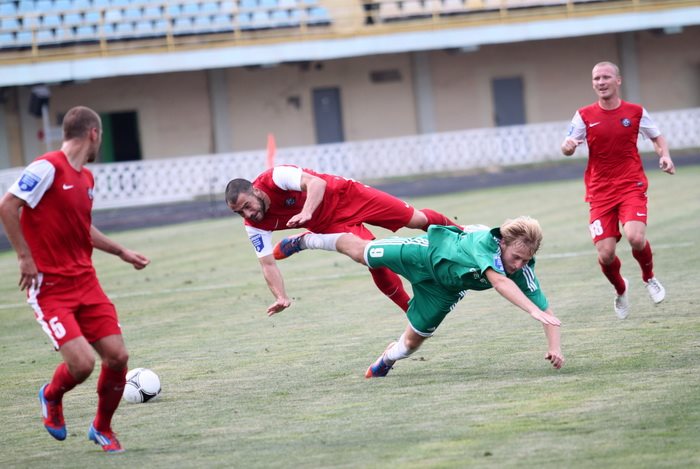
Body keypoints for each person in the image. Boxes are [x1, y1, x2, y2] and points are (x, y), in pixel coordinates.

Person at [0, 106, 150, 453]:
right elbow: (7, 206)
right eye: (100, 136)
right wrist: (25, 257)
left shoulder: (87, 179)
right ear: (94, 134)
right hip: (50, 288)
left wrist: (121, 251)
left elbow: (83, 229)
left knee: (117, 356)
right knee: (82, 365)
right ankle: (51, 396)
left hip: (86, 281)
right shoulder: (47, 167)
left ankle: (102, 428)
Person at [288, 218, 564, 377]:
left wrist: (555, 348)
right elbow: (499, 281)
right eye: (516, 257)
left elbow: (547, 311)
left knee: (411, 344)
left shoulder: (522, 270)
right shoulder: (485, 242)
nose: (518, 264)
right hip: (422, 255)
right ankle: (306, 241)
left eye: (525, 259)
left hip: (443, 291)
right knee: (363, 253)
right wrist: (531, 310)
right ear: (502, 242)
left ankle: (387, 359)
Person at [225, 165, 459, 316]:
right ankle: (412, 312)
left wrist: (306, 212)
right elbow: (267, 263)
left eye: (247, 206)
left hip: (348, 195)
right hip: (328, 225)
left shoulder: (275, 177)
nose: (247, 214)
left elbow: (317, 183)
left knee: (416, 220)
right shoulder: (253, 225)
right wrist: (281, 296)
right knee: (372, 258)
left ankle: (462, 234)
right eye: (239, 212)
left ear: (256, 191)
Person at [561, 61, 675, 319]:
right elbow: (567, 145)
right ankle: (621, 289)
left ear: (618, 80)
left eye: (606, 77)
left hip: (630, 185)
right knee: (606, 254)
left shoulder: (635, 112)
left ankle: (649, 278)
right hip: (599, 192)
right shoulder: (583, 115)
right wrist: (567, 147)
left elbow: (657, 137)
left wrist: (665, 155)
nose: (601, 82)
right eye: (596, 78)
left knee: (635, 237)